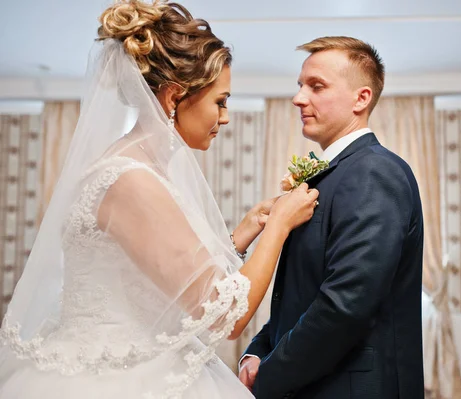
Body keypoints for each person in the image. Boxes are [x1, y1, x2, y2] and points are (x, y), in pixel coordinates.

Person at [0, 1, 318, 398]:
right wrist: (281, 228)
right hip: (117, 380)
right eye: (219, 101)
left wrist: (243, 233)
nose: (226, 117)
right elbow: (222, 318)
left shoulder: (139, 168)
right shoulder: (129, 179)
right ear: (172, 98)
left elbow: (167, 277)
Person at [240, 36, 425, 399]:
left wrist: (268, 376)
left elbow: (345, 306)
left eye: (316, 86)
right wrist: (257, 350)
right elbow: (300, 294)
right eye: (300, 86)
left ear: (361, 98)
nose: (298, 98)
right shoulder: (336, 172)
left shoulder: (374, 172)